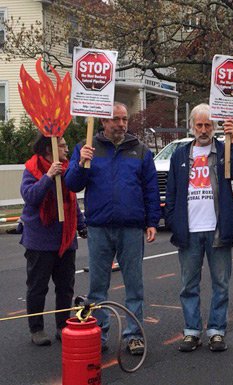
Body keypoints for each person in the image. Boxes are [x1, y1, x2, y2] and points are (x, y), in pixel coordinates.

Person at [65, 102, 160, 355]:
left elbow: (150, 189)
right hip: (99, 228)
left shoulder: (140, 151)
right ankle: (100, 333)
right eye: (116, 119)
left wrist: (152, 221)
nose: (121, 124)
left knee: (134, 286)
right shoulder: (86, 149)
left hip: (131, 228)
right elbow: (72, 185)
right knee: (97, 287)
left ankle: (134, 335)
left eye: (124, 119)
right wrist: (80, 163)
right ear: (103, 122)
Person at [165, 103, 233, 353]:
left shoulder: (224, 150)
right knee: (188, 285)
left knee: (220, 284)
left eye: (208, 125)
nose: (203, 129)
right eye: (199, 125)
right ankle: (191, 331)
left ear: (214, 127)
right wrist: (172, 220)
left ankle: (216, 331)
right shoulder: (180, 154)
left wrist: (232, 140)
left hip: (217, 229)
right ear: (192, 127)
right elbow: (171, 191)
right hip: (189, 231)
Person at [20, 135, 86, 346]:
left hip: (65, 238)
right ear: (50, 150)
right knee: (38, 286)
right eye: (63, 145)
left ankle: (62, 325)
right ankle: (36, 329)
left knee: (66, 286)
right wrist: (48, 176)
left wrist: (81, 224)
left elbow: (72, 201)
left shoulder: (68, 169)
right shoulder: (32, 168)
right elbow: (30, 196)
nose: (67, 149)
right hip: (40, 239)